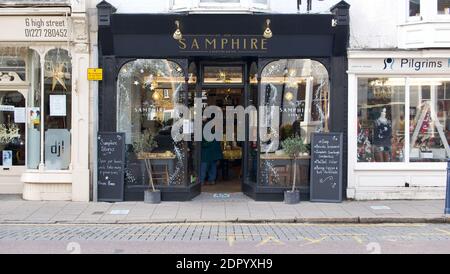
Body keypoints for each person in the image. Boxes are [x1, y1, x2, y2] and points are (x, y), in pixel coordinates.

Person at [200, 118, 223, 185]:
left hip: (206, 152)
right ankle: (211, 180)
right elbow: (218, 143)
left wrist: (200, 145)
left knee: (204, 167)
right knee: (213, 167)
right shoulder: (216, 131)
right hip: (214, 152)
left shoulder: (205, 131)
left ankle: (202, 180)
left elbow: (205, 143)